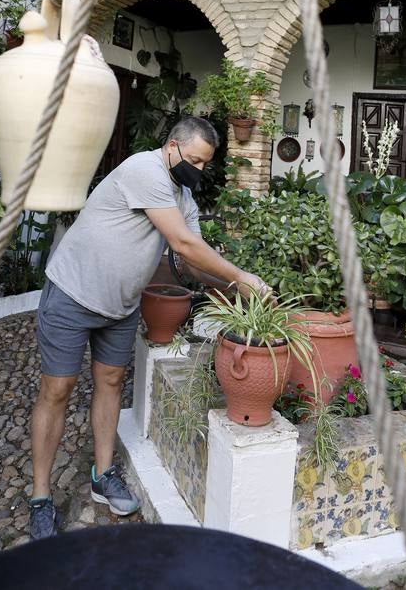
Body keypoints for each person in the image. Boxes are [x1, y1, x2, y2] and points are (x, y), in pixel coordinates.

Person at [29, 115, 272, 540]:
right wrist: (242, 276)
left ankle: (103, 475)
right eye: (193, 160)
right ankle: (41, 497)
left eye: (204, 164)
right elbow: (181, 243)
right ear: (172, 146)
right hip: (72, 293)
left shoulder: (183, 196)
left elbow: (191, 262)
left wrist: (238, 289)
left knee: (110, 381)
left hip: (120, 307)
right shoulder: (144, 169)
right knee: (58, 389)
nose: (197, 170)